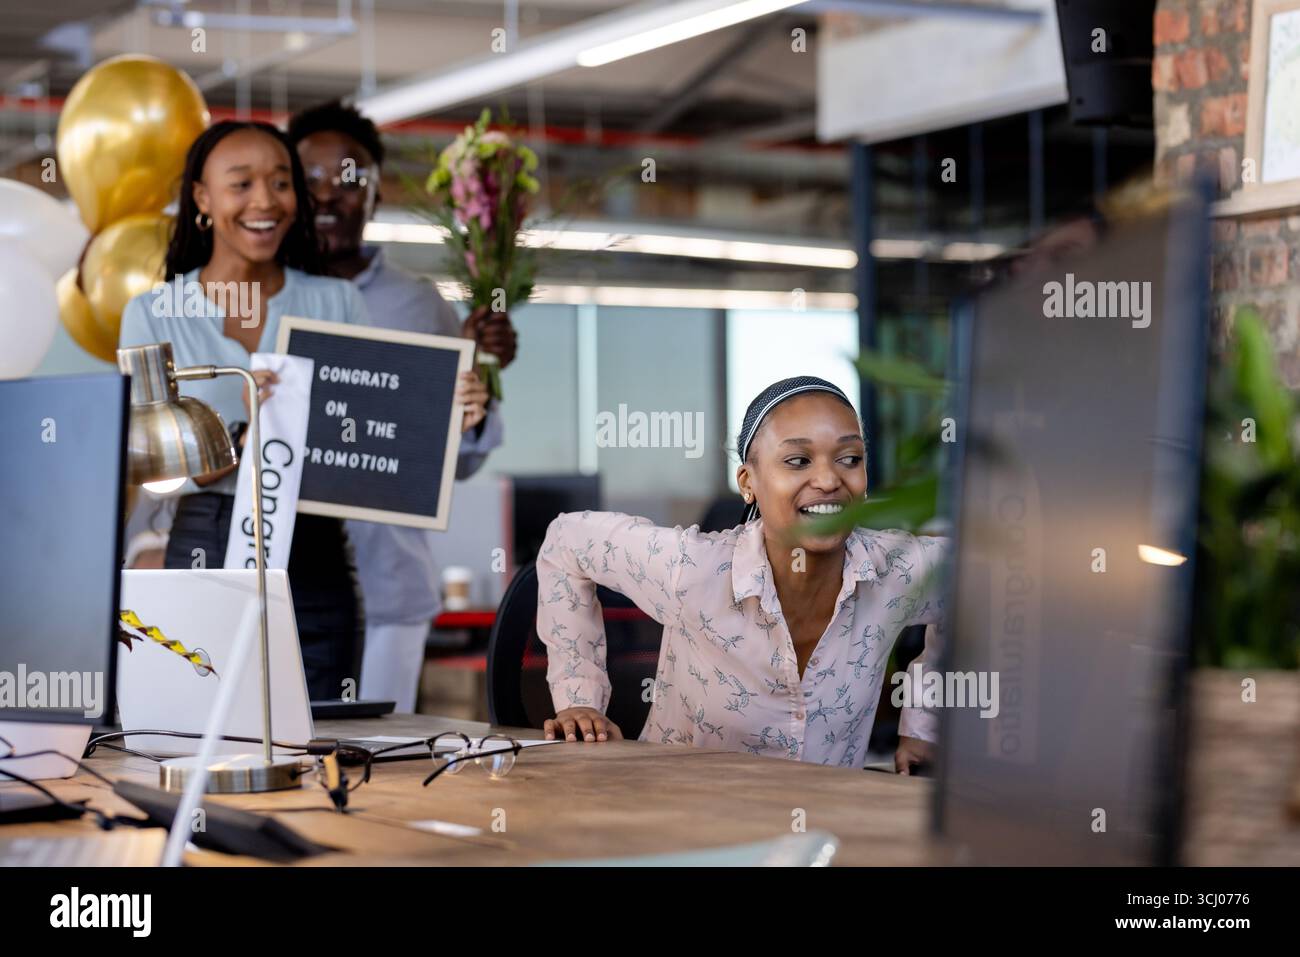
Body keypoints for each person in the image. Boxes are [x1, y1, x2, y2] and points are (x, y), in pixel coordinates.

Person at [118, 120, 489, 701]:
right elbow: (152, 469)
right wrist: (245, 436)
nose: (265, 201)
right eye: (241, 184)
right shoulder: (153, 313)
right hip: (205, 545)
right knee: (200, 729)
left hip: (315, 553)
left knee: (319, 739)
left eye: (281, 183)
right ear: (202, 198)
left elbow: (372, 431)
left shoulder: (333, 300)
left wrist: (452, 410)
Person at [537, 376, 947, 772]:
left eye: (849, 459)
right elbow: (566, 541)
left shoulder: (893, 570)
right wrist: (580, 698)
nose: (828, 480)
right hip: (686, 822)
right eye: (798, 460)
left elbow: (977, 580)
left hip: (828, 828)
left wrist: (924, 726)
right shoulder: (692, 568)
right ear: (748, 482)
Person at [287, 101, 509, 711]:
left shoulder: (420, 306)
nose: (330, 194)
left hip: (391, 590)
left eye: (351, 177)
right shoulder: (261, 294)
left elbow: (457, 460)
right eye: (309, 178)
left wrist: (479, 388)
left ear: (377, 194)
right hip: (282, 589)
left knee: (373, 771)